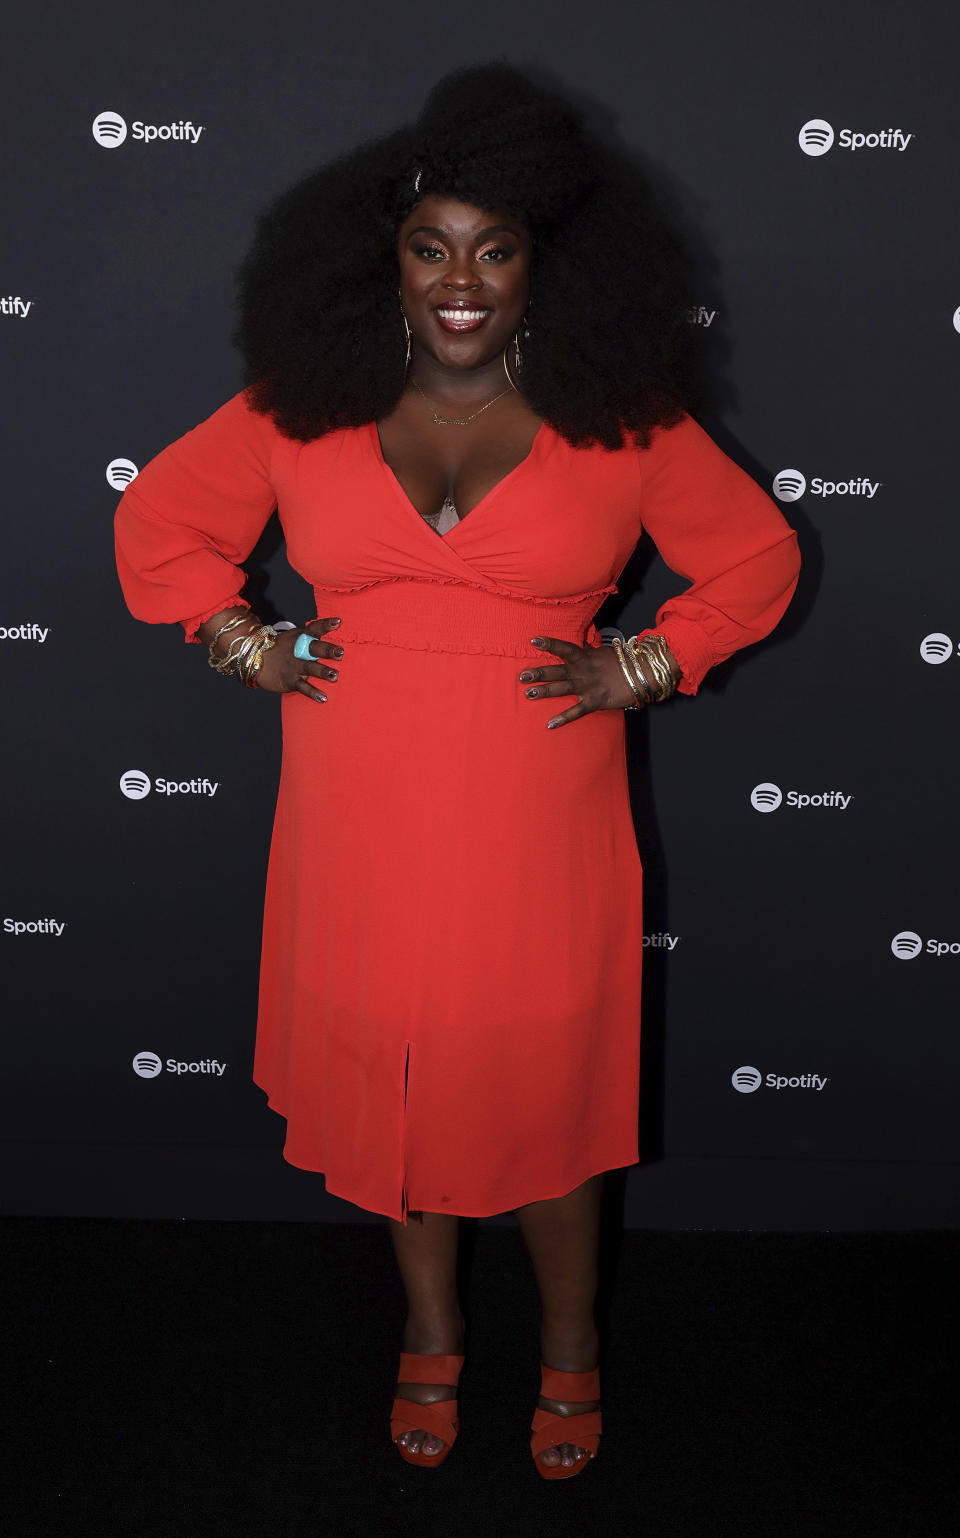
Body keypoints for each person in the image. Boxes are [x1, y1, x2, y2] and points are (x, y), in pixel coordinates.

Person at [114, 62, 801, 1479]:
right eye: (432, 248)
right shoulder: (296, 410)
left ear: (549, 262)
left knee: (549, 1106)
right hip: (355, 809)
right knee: (399, 1091)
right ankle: (429, 1334)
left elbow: (757, 555)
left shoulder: (625, 419)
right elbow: (162, 529)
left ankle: (569, 1351)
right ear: (388, 262)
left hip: (537, 819)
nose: (461, 280)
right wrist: (244, 642)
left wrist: (649, 661)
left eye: (495, 248)